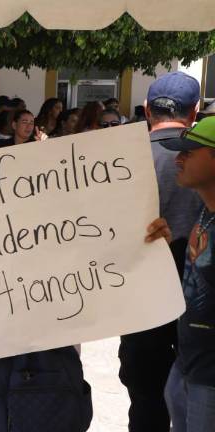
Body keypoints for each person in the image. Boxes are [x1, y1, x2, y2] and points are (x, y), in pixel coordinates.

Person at [119, 71, 202, 432]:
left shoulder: (116, 160)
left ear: (145, 109)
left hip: (139, 301)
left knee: (146, 399)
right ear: (195, 113)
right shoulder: (204, 158)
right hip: (199, 300)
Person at [157, 117, 215, 431]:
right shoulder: (205, 211)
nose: (178, 159)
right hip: (187, 365)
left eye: (189, 152)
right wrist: (170, 246)